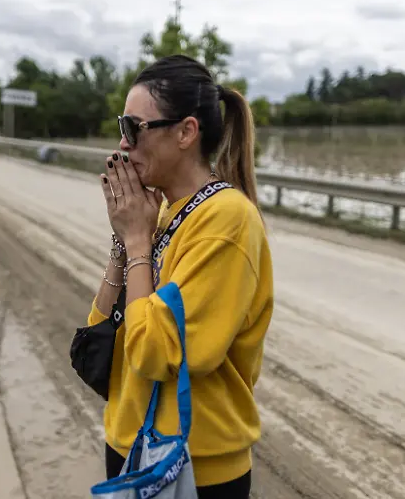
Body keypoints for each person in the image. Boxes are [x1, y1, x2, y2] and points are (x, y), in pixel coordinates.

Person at [86, 54, 273, 498]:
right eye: (122, 127)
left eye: (134, 127)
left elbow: (154, 352)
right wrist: (125, 243)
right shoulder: (167, 213)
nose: (123, 143)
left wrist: (138, 241)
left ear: (186, 132)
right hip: (132, 447)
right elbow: (100, 344)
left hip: (192, 466)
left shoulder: (226, 222)